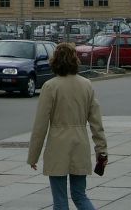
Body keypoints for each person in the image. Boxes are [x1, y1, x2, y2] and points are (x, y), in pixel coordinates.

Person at [28, 42, 107, 210]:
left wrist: (33, 156)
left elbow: (40, 125)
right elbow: (96, 122)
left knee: (60, 199)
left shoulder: (50, 86)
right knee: (80, 195)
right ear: (75, 60)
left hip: (57, 146)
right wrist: (102, 150)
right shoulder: (86, 84)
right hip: (80, 143)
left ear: (55, 61)